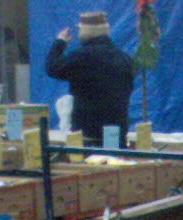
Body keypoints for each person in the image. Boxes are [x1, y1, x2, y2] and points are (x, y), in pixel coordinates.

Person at [45, 11, 135, 147]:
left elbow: (53, 68)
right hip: (117, 138)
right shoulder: (125, 59)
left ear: (86, 32)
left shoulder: (81, 58)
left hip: (88, 138)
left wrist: (60, 42)